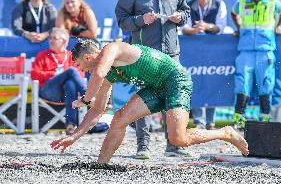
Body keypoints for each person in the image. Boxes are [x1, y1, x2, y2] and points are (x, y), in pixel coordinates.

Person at [50, 40, 249, 163]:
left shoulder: (111, 49)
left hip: (175, 80)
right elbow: (97, 111)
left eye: (80, 66)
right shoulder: (105, 76)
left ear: (88, 57)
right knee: (119, 118)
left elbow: (99, 73)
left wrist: (85, 99)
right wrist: (74, 136)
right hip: (156, 87)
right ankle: (101, 164)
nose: (82, 71)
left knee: (178, 139)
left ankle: (225, 133)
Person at [115, 0, 191, 159]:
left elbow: (186, 12)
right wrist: (141, 19)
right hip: (144, 56)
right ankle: (143, 145)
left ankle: (173, 145)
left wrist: (180, 17)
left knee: (173, 99)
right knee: (143, 99)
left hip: (171, 55)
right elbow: (122, 20)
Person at [231, 0, 281, 125]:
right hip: (245, 50)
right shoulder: (242, 2)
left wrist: (279, 26)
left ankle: (265, 118)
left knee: (266, 83)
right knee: (242, 83)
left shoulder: (272, 2)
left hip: (265, 50)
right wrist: (238, 28)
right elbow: (233, 13)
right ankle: (239, 120)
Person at [182, 0, 227, 130]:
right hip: (194, 50)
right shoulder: (189, 5)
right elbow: (184, 28)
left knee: (212, 83)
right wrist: (195, 30)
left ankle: (210, 121)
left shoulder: (220, 4)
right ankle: (198, 121)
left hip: (213, 50)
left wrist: (206, 26)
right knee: (194, 82)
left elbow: (221, 27)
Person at [31, 27, 87, 135]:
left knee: (70, 84)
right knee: (71, 71)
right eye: (50, 38)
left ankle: (70, 125)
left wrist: (63, 76)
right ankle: (88, 94)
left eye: (54, 38)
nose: (51, 41)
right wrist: (53, 74)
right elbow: (34, 74)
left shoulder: (71, 56)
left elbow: (81, 74)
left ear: (64, 41)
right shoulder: (42, 55)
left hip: (68, 93)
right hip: (48, 91)